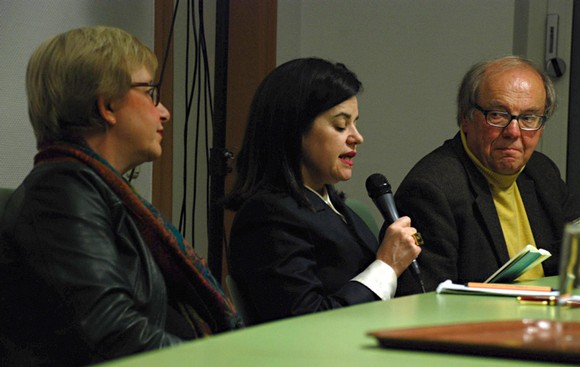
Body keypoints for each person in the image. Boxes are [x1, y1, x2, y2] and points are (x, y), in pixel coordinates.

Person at [0, 26, 242, 366]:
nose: (165, 112)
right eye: (151, 93)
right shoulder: (59, 194)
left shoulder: (98, 189)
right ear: (107, 105)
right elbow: (112, 334)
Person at [224, 57, 421, 325]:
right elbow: (306, 323)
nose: (356, 137)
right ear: (294, 129)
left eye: (355, 123)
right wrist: (386, 267)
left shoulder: (333, 205)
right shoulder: (268, 216)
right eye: (341, 125)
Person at [390, 55, 580, 296]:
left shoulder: (541, 171)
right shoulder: (431, 190)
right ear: (465, 118)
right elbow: (429, 301)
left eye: (529, 118)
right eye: (498, 115)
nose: (513, 131)